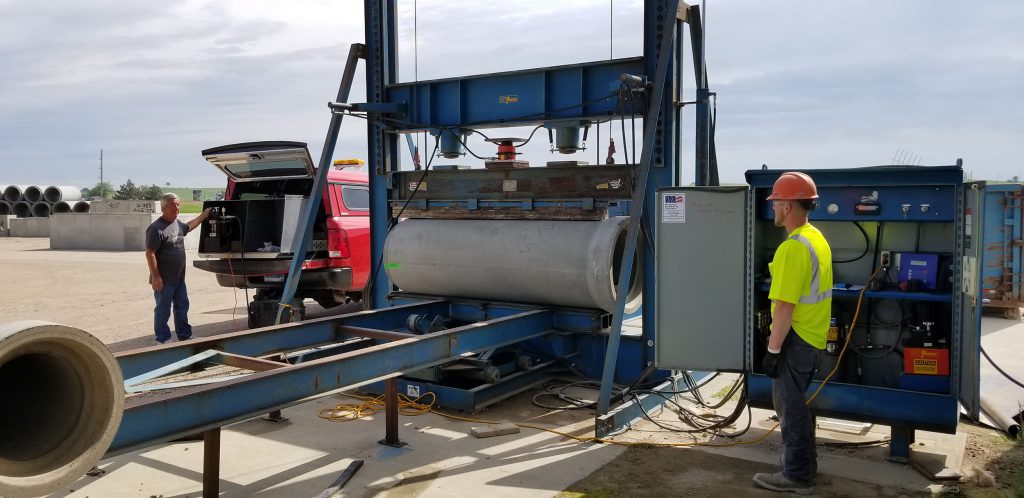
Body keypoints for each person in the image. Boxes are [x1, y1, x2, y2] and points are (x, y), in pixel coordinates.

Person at [753, 171, 833, 495]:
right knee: (796, 403)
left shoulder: (793, 248)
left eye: (775, 203)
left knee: (789, 406)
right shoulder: (817, 238)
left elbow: (784, 307)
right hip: (812, 337)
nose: (773, 208)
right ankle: (805, 467)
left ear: (787, 206)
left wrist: (772, 351)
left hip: (795, 340)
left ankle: (797, 476)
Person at [145, 193, 211, 344]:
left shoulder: (177, 224)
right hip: (163, 280)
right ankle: (162, 339)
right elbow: (150, 253)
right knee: (163, 309)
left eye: (178, 204)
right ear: (163, 207)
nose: (177, 207)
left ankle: (184, 336)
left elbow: (190, 226)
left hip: (179, 278)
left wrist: (204, 215)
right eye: (172, 205)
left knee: (182, 306)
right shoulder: (155, 228)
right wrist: (156, 277)